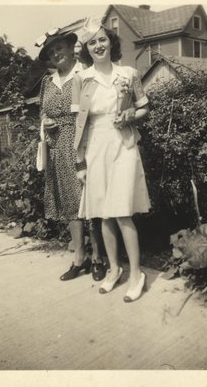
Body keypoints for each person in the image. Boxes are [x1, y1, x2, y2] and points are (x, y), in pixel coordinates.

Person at [72, 18, 151, 302]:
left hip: (124, 143)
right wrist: (80, 162)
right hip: (96, 146)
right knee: (104, 212)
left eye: (102, 40)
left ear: (111, 42)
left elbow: (144, 108)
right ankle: (114, 269)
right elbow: (79, 124)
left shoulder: (128, 74)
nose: (98, 46)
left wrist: (132, 114)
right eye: (92, 42)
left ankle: (136, 273)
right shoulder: (81, 79)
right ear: (86, 49)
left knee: (121, 210)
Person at [36, 25, 106, 281]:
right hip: (56, 149)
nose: (56, 54)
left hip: (83, 144)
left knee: (89, 203)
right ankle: (80, 257)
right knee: (68, 204)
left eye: (59, 48)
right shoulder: (47, 81)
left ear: (70, 47)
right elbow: (42, 112)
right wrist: (45, 121)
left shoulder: (85, 74)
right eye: (51, 51)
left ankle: (98, 256)